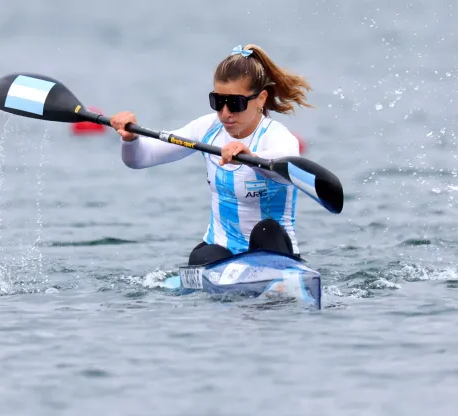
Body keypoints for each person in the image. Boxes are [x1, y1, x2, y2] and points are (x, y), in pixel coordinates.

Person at [109, 44, 313, 266]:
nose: (225, 113)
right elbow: (140, 159)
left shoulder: (275, 136)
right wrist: (130, 139)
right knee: (201, 257)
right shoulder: (207, 129)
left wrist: (251, 157)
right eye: (218, 102)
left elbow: (287, 162)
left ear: (261, 99)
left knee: (267, 229)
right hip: (221, 251)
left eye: (235, 103)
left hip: (272, 249)